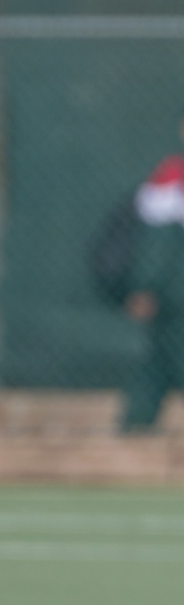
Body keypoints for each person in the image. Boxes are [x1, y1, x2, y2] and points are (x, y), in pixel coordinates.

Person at [121, 127, 184, 431]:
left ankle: (136, 426)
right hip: (175, 296)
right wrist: (147, 285)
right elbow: (158, 243)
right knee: (160, 361)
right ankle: (135, 429)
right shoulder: (172, 177)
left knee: (158, 362)